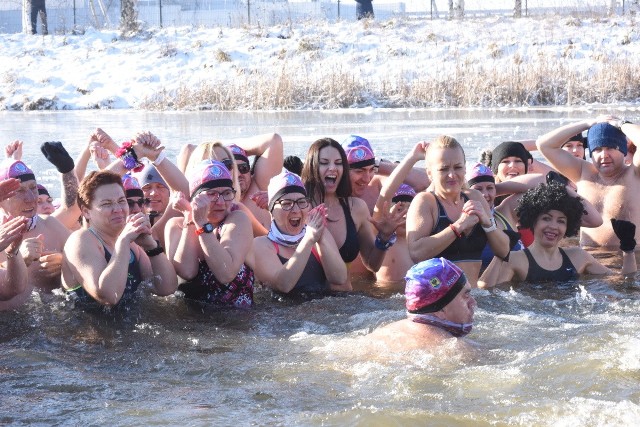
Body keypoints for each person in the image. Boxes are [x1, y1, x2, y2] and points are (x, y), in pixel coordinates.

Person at [478, 182, 636, 288]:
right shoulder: (514, 259)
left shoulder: (578, 257)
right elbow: (487, 292)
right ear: (533, 221)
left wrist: (628, 250)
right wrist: (500, 255)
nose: (553, 226)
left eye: (561, 221)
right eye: (546, 219)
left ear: (568, 226)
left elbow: (623, 283)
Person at [62, 171, 177, 307]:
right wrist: (123, 241)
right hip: (87, 327)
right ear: (86, 211)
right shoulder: (80, 240)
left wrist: (151, 246)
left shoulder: (133, 246)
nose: (117, 209)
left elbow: (166, 289)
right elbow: (109, 296)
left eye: (122, 201)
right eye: (106, 204)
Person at [406, 135, 510, 287]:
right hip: (439, 301)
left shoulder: (474, 197)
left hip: (472, 298)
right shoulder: (425, 202)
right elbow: (416, 253)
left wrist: (488, 224)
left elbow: (503, 251)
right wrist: (458, 226)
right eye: (444, 169)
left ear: (465, 168)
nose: (452, 175)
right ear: (430, 173)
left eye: (458, 167)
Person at [301, 137, 403, 288]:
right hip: (307, 306)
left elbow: (372, 265)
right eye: (324, 163)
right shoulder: (298, 207)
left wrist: (384, 238)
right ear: (312, 167)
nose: (333, 168)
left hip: (347, 303)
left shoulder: (356, 208)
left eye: (338, 163)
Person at [536, 116, 640, 248]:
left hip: (629, 259)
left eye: (611, 148)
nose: (604, 155)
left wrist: (622, 124)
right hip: (587, 260)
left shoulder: (635, 173)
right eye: (597, 149)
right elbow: (544, 145)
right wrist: (587, 123)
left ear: (623, 151)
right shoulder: (582, 173)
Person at [165, 160, 255, 308]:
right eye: (212, 194)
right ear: (195, 198)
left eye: (226, 193)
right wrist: (191, 218)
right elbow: (187, 272)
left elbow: (226, 273)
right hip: (189, 322)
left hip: (237, 323)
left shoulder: (238, 220)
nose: (221, 202)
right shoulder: (176, 226)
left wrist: (202, 224)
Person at [252, 170, 349, 299]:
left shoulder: (317, 234)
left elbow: (340, 278)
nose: (296, 210)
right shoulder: (261, 245)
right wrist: (308, 240)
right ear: (272, 210)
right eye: (286, 204)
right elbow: (283, 285)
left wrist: (320, 236)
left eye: (302, 202)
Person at [365, 257, 476, 350]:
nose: (473, 303)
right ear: (440, 310)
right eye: (466, 296)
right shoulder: (456, 349)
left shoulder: (381, 335)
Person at [0, 160, 70, 298]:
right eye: (19, 190)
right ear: (2, 199)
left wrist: (65, 262)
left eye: (33, 188)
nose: (31, 199)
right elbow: (7, 290)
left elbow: (88, 257)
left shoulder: (50, 224)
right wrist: (18, 260)